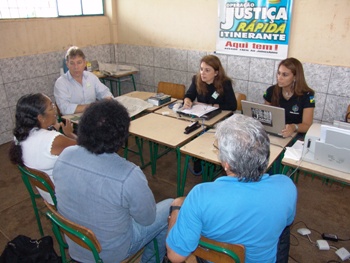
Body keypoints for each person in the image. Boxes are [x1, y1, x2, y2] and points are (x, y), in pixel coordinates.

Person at [53, 99, 173, 263]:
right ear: (122, 136)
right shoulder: (129, 174)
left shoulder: (65, 155)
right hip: (111, 253)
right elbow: (147, 219)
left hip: (77, 245)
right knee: (171, 207)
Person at [166, 114, 297, 263]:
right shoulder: (286, 186)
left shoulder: (200, 196)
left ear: (226, 164)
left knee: (180, 207)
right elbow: (287, 221)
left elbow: (175, 257)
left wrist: (176, 211)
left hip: (216, 258)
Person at [8, 93, 77, 203]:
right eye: (51, 107)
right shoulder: (53, 140)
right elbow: (85, 147)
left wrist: (49, 128)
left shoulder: (19, 136)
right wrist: (69, 134)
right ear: (40, 117)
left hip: (47, 194)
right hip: (64, 198)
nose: (55, 109)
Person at [263, 57, 315, 138]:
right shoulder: (271, 91)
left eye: (285, 75)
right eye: (278, 73)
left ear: (295, 77)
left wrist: (294, 127)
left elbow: (307, 125)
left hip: (295, 136)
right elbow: (265, 116)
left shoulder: (307, 95)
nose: (279, 78)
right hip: (274, 133)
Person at [54, 46, 113, 115]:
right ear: (67, 64)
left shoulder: (91, 77)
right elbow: (65, 108)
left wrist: (107, 99)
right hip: (72, 122)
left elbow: (104, 92)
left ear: (84, 63)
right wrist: (91, 106)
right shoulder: (61, 83)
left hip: (92, 116)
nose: (76, 67)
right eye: (72, 63)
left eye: (79, 62)